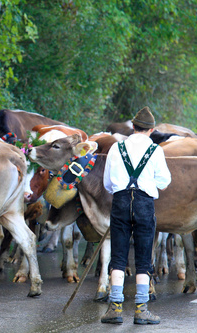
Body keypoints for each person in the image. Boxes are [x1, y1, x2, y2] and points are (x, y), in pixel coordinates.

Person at [102, 106, 171, 325]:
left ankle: (115, 308)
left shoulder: (116, 148)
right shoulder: (156, 150)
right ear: (151, 130)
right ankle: (141, 310)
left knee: (119, 256)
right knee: (143, 258)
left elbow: (107, 183)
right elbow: (164, 181)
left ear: (133, 127)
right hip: (144, 203)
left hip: (120, 201)